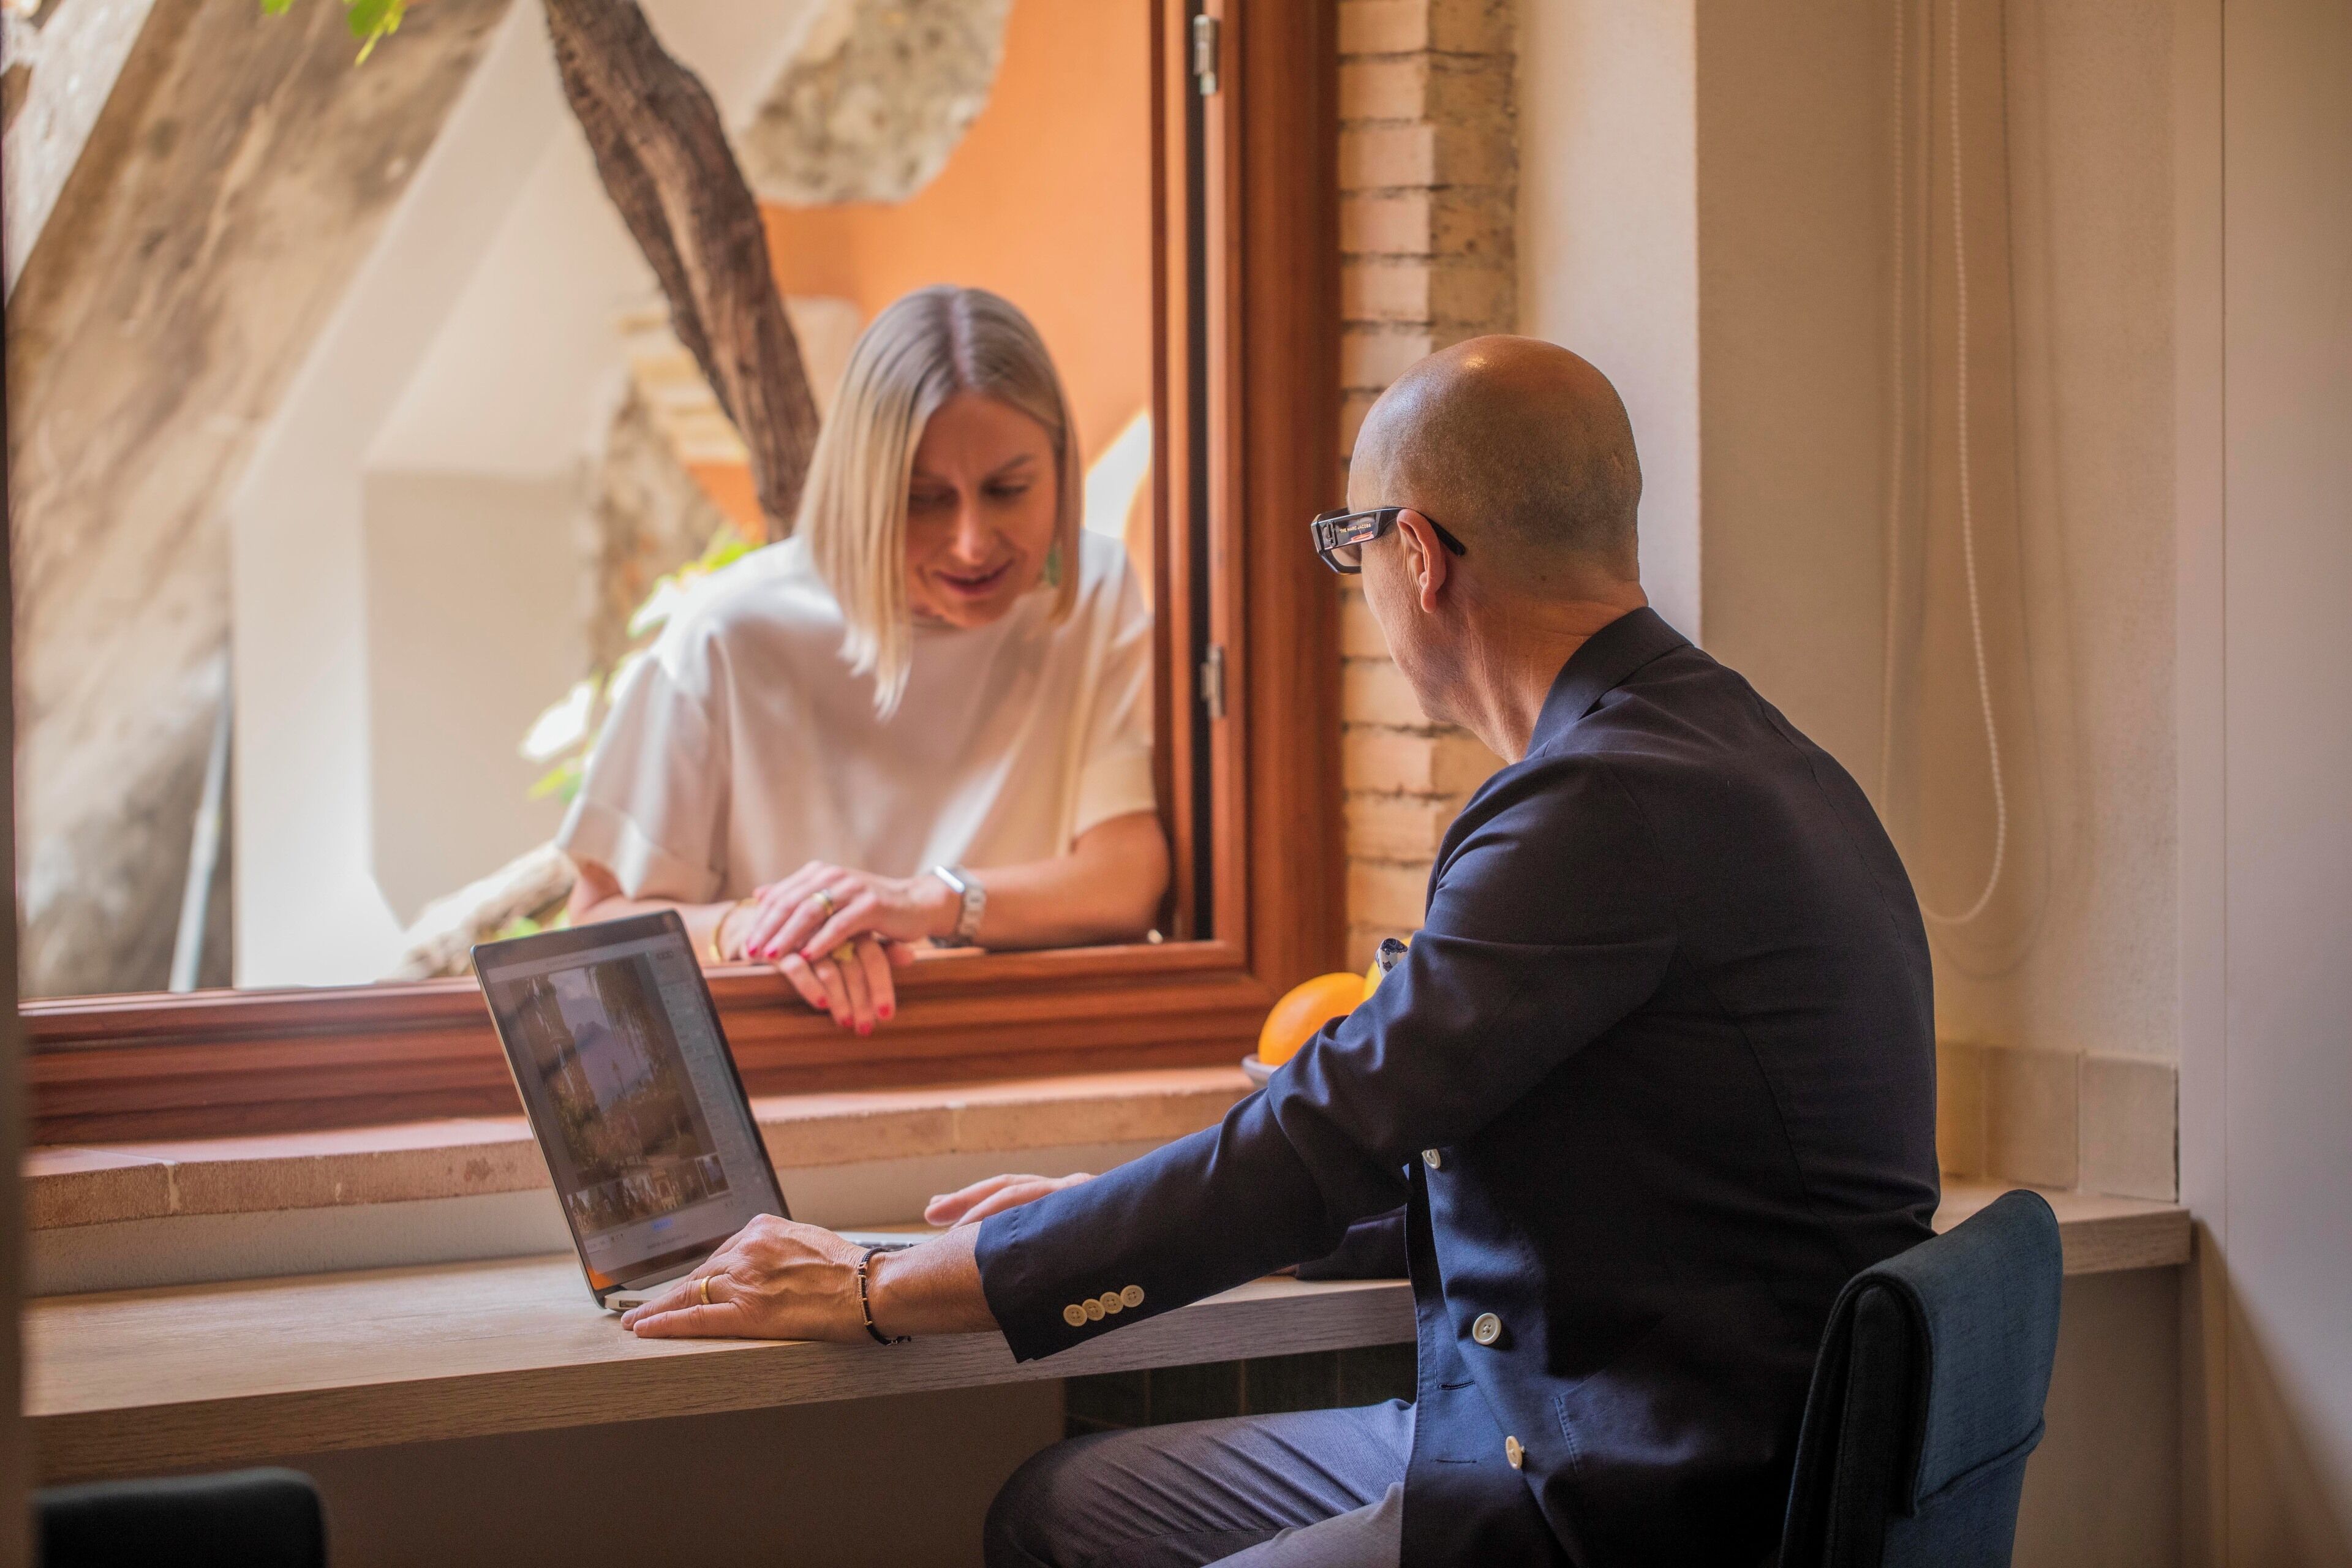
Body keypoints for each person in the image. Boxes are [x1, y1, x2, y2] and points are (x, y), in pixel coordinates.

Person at [614, 337, 1941, 1568]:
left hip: (1626, 1496)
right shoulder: (1734, 752)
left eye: (1348, 549)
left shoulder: (1599, 806)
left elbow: (1319, 1136)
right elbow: (1457, 1136)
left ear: (1416, 555)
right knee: (1061, 1507)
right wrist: (1087, 1206)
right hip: (1620, 1422)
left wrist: (876, 1283)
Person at [560, 286, 1169, 1035]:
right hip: (790, 1056)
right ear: (861, 492)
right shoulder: (728, 635)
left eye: (1008, 490)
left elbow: (1125, 878)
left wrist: (923, 904)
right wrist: (754, 928)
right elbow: (591, 925)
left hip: (1020, 1038)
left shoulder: (1095, 592)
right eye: (925, 500)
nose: (974, 541)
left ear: (1061, 468)